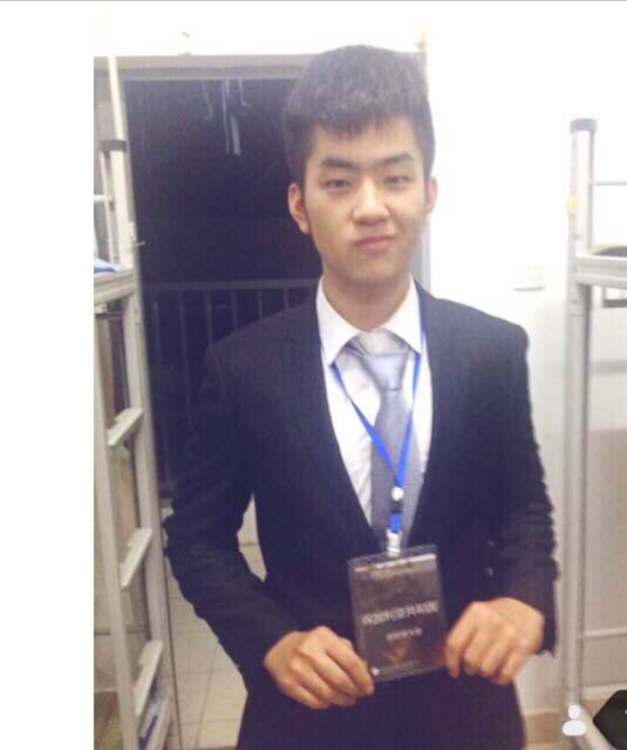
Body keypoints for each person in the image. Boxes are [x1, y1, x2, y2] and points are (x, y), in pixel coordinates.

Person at [164, 44, 558, 750]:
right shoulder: (244, 368)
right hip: (312, 715)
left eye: (395, 178)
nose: (371, 207)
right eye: (340, 182)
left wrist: (524, 597)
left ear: (428, 193)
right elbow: (196, 539)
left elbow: (522, 507)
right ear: (300, 204)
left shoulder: (492, 351)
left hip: (465, 708)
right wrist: (271, 641)